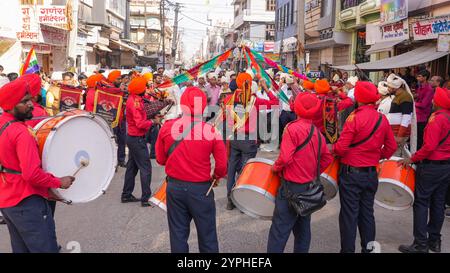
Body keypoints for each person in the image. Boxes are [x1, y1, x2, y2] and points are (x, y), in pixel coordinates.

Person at [0, 74, 75, 253]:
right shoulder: (22, 133)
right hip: (27, 201)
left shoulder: (3, 124)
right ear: (11, 105)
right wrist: (59, 182)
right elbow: (31, 174)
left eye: (29, 100)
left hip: (8, 199)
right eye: (24, 101)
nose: (30, 104)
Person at [155, 87, 227, 253]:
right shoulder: (210, 130)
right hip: (201, 189)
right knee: (207, 236)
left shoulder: (167, 127)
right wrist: (216, 177)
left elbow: (160, 159)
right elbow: (222, 165)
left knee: (178, 235)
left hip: (175, 188)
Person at [332, 81, 397, 253]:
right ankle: (368, 249)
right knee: (367, 214)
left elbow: (341, 148)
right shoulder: (382, 119)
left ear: (358, 99)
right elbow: (391, 148)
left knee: (349, 216)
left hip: (351, 174)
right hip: (371, 174)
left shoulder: (354, 117)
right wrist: (376, 156)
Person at [267, 93, 333, 253]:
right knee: (303, 231)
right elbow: (327, 158)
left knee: (279, 231)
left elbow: (285, 158)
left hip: (290, 188)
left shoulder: (292, 128)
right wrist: (313, 171)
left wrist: (275, 168)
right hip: (309, 188)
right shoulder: (317, 133)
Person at [398, 87, 450, 253]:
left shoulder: (437, 119)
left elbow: (429, 146)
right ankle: (434, 241)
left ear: (438, 103)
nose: (432, 101)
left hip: (431, 167)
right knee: (438, 204)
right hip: (446, 166)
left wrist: (412, 158)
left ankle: (420, 244)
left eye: (435, 99)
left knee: (421, 203)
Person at [225, 73, 279, 210]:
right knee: (245, 170)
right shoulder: (255, 100)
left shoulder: (229, 99)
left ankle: (229, 200)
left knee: (231, 168)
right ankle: (241, 200)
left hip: (235, 137)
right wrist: (266, 88)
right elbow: (275, 102)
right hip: (249, 140)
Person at [122, 77, 160, 206]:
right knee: (146, 169)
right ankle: (145, 199)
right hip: (137, 138)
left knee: (132, 168)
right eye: (144, 87)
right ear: (140, 89)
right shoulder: (136, 103)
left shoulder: (134, 99)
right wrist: (153, 122)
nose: (146, 89)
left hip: (132, 138)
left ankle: (126, 195)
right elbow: (140, 123)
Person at [312, 79, 353, 143]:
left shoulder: (311, 99)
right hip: (329, 135)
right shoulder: (332, 102)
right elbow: (349, 102)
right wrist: (338, 92)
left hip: (313, 134)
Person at [386, 73, 416, 156]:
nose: (388, 89)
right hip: (395, 132)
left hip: (398, 134)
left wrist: (400, 136)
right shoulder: (398, 96)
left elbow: (406, 117)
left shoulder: (405, 96)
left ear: (394, 87)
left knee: (396, 157)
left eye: (389, 87)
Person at [415, 70, 434, 150]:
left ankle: (418, 159)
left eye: (419, 76)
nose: (417, 78)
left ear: (425, 77)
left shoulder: (429, 89)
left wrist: (413, 103)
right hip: (417, 115)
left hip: (422, 117)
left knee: (419, 139)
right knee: (415, 138)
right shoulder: (420, 87)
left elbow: (423, 104)